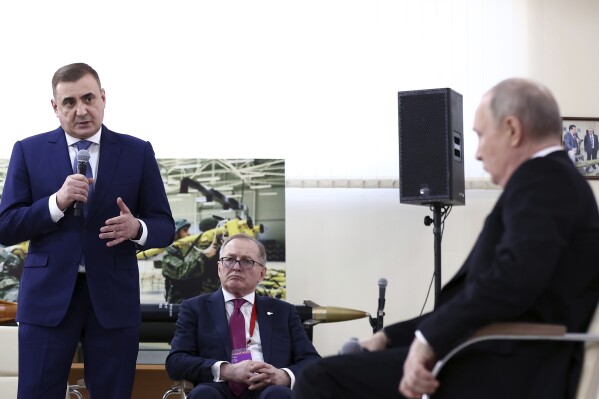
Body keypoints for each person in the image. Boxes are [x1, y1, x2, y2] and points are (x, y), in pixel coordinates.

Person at [294, 78, 599, 399]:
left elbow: (509, 285)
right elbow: (489, 298)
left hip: (505, 369)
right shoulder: (556, 180)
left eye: (481, 136)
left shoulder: (543, 178)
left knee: (320, 378)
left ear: (512, 129)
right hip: (502, 357)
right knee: (353, 364)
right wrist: (392, 337)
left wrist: (426, 343)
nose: (478, 154)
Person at [0, 63, 175, 399]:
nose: (80, 110)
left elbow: (165, 226)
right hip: (46, 300)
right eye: (69, 102)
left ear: (103, 98)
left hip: (113, 299)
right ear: (55, 107)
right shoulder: (28, 150)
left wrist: (137, 227)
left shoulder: (137, 152)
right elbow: (6, 226)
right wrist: (56, 202)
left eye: (88, 98)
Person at [165, 233, 321, 399]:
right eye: (229, 259)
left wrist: (283, 375)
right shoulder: (195, 308)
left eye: (247, 261)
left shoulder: (284, 311)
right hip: (217, 387)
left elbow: (312, 362)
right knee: (204, 394)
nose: (236, 267)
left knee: (279, 395)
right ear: (219, 268)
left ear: (262, 273)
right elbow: (176, 362)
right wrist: (227, 370)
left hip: (268, 388)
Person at [162, 218, 222, 303]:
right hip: (179, 304)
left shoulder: (192, 251)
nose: (189, 233)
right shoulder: (168, 256)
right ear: (176, 235)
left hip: (199, 301)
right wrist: (204, 256)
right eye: (185, 231)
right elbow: (182, 271)